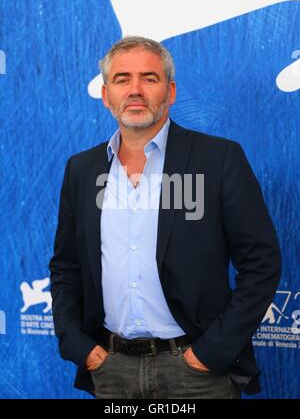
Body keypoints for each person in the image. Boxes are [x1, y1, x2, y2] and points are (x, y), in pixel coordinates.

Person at [49, 36, 281, 399]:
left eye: (150, 78)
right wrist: (80, 347)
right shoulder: (81, 170)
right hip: (111, 370)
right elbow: (66, 265)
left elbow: (262, 263)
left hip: (196, 373)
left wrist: (210, 352)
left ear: (170, 92)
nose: (136, 90)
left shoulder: (217, 160)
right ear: (107, 94)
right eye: (122, 79)